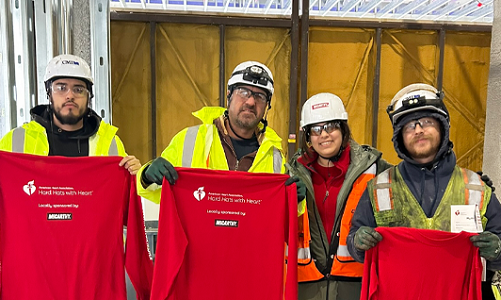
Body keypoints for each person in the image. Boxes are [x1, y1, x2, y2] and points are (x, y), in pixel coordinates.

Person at [347, 83, 501, 299]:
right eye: (409, 126)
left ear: (442, 127)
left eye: (426, 122)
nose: (418, 130)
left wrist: (497, 250)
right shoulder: (379, 187)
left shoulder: (475, 187)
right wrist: (357, 243)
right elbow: (355, 240)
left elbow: (499, 243)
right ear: (399, 137)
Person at [286, 93, 392, 300]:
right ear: (307, 136)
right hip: (306, 287)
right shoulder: (292, 173)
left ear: (343, 128)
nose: (324, 134)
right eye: (315, 129)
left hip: (357, 286)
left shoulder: (375, 169)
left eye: (331, 126)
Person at [137, 61, 287, 203]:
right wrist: (146, 175)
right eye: (243, 92)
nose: (250, 102)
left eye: (260, 96)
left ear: (267, 106)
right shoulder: (189, 140)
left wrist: (296, 199)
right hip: (197, 231)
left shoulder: (275, 157)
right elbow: (153, 192)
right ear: (229, 95)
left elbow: (281, 210)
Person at [0, 54, 141, 174]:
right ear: (49, 93)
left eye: (78, 89)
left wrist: (138, 176)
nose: (70, 95)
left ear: (89, 96)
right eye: (61, 88)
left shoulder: (110, 144)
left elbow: (127, 196)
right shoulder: (16, 140)